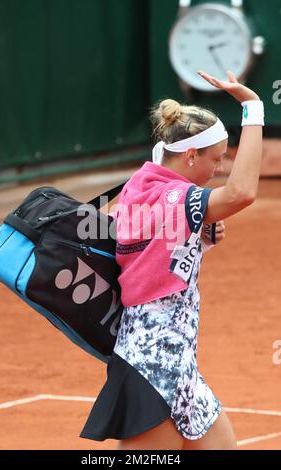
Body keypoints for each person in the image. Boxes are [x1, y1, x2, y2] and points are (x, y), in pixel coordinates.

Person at [80, 70, 264, 450]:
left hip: (180, 367)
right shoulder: (175, 197)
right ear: (191, 154)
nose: (219, 169)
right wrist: (253, 108)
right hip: (151, 366)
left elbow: (148, 246)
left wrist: (202, 232)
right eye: (215, 160)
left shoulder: (142, 185)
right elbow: (242, 192)